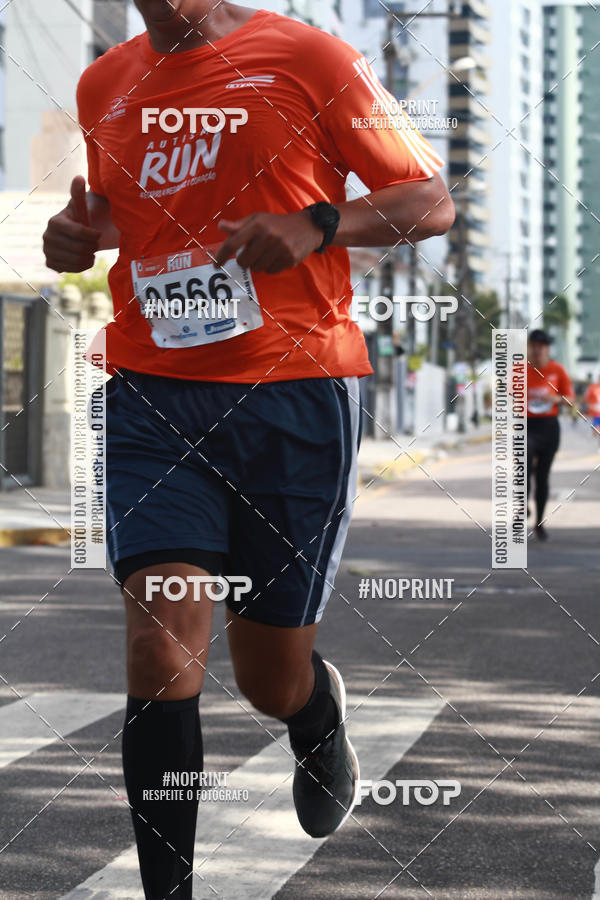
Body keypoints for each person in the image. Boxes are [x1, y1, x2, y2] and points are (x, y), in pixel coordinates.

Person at [43, 2, 454, 896]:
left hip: (295, 396)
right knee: (161, 645)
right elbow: (131, 219)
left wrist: (317, 223)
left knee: (268, 678)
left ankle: (312, 715)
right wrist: (76, 236)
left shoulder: (311, 56)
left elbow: (430, 200)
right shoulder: (104, 82)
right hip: (153, 392)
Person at [527, 329, 574, 541]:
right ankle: (522, 504)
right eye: (534, 345)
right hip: (526, 425)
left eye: (541, 346)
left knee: (543, 477)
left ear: (547, 348)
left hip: (548, 427)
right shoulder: (520, 370)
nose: (537, 350)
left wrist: (555, 399)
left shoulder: (558, 370)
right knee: (524, 465)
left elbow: (571, 399)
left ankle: (539, 522)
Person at [583, 375, 600, 449]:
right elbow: (586, 398)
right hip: (596, 412)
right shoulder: (592, 387)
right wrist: (589, 405)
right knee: (596, 430)